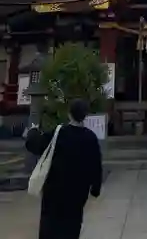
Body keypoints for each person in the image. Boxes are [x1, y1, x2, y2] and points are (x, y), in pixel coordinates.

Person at [25, 99, 103, 239]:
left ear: (69, 114)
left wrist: (33, 131)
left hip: (54, 190)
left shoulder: (59, 133)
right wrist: (95, 188)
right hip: (78, 191)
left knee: (50, 225)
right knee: (72, 225)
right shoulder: (90, 138)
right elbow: (96, 165)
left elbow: (35, 145)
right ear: (85, 115)